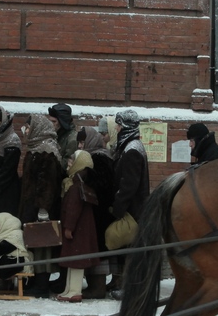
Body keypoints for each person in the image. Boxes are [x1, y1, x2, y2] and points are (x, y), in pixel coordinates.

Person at [18, 113, 65, 297]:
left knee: (42, 245)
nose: (26, 131)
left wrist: (43, 208)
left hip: (41, 209)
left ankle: (41, 284)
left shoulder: (46, 150)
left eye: (28, 128)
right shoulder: (36, 147)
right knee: (34, 244)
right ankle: (34, 280)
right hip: (31, 205)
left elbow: (47, 182)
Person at [107, 109, 149, 298]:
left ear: (125, 126)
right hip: (131, 208)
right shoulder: (130, 145)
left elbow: (129, 184)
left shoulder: (132, 149)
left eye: (118, 124)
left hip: (132, 209)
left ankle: (126, 286)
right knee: (124, 247)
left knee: (127, 247)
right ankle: (118, 281)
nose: (116, 128)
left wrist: (118, 207)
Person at [55, 150, 100, 303]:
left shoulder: (76, 186)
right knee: (72, 261)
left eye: (72, 161)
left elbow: (73, 209)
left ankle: (74, 291)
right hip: (80, 230)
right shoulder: (80, 183)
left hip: (77, 231)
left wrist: (69, 227)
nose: (68, 163)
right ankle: (69, 289)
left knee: (76, 262)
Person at [77, 125, 113, 299]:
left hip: (100, 211)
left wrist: (85, 176)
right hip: (95, 210)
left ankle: (98, 287)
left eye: (83, 142)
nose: (80, 146)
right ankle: (94, 285)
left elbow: (103, 185)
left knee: (97, 246)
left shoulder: (99, 158)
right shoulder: (94, 156)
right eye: (79, 142)